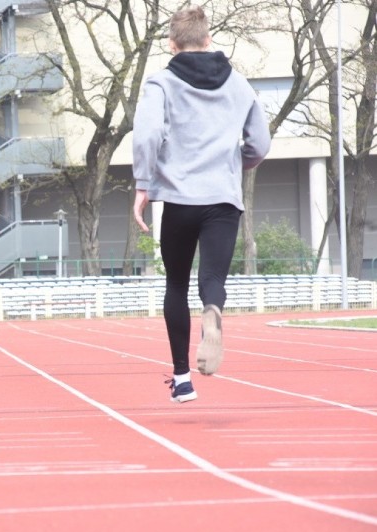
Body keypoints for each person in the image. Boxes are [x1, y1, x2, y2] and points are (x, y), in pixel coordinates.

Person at [132, 6, 271, 403]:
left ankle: (181, 379)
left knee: (175, 284)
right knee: (212, 280)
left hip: (179, 199)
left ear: (172, 45)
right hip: (223, 199)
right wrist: (232, 164)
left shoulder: (161, 83)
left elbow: (146, 137)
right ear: (209, 40)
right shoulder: (241, 85)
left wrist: (144, 184)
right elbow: (260, 144)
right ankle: (213, 310)